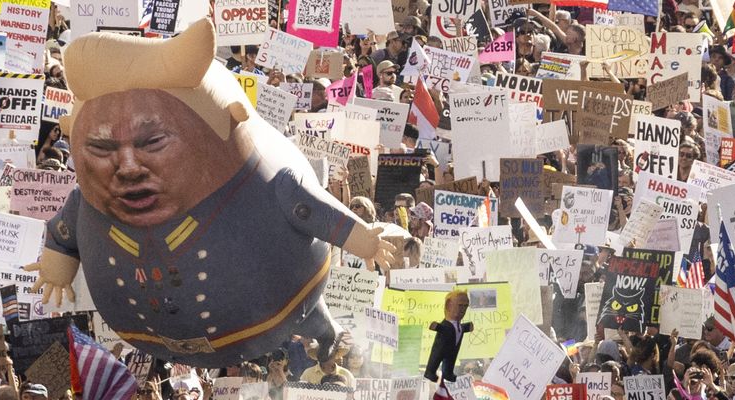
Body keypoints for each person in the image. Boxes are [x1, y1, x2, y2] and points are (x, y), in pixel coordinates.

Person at [25, 19, 396, 368]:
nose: (128, 166)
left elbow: (308, 208)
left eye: (153, 142)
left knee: (312, 319)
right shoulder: (88, 203)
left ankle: (325, 332)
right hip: (146, 335)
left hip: (276, 313)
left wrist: (364, 240)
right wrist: (56, 268)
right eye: (101, 148)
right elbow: (66, 230)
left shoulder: (269, 182)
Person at [425, 289, 472, 382]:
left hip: (454, 348)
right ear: (448, 305)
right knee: (435, 358)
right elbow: (444, 329)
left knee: (450, 361)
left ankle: (448, 373)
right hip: (441, 347)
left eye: (466, 306)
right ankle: (430, 372)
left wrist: (467, 327)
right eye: (460, 305)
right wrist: (436, 326)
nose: (463, 309)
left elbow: (459, 329)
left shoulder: (458, 325)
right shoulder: (446, 324)